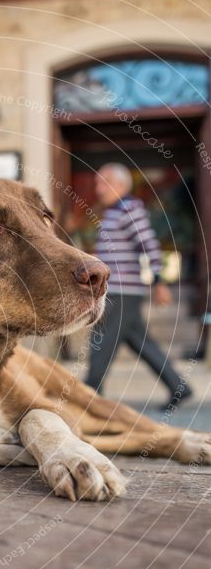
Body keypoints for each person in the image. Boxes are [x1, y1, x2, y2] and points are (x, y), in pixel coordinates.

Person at [85, 163, 192, 411]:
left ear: (120, 184)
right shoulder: (114, 211)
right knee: (141, 343)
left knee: (101, 341)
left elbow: (149, 245)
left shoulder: (129, 208)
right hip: (121, 290)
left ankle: (89, 396)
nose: (98, 189)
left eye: (103, 182)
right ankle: (179, 387)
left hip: (122, 290)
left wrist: (158, 281)